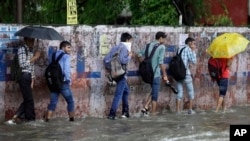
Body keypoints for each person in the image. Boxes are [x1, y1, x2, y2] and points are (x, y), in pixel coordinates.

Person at [8, 37, 40, 124]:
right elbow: (22, 64)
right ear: (25, 40)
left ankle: (21, 117)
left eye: (33, 40)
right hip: (23, 76)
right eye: (30, 40)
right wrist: (35, 57)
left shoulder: (30, 50)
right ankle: (29, 119)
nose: (32, 42)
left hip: (28, 77)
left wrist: (32, 79)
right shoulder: (22, 49)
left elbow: (31, 67)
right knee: (29, 99)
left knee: (28, 99)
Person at [137, 31, 169, 116]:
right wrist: (165, 75)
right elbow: (161, 63)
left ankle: (146, 107)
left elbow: (139, 55)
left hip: (147, 74)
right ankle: (153, 115)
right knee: (155, 95)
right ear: (160, 38)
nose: (165, 40)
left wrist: (143, 64)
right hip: (155, 74)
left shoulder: (148, 45)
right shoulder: (162, 47)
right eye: (164, 38)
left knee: (154, 90)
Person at [104, 32, 133, 120]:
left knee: (126, 91)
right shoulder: (124, 48)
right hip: (122, 75)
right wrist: (129, 56)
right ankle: (112, 114)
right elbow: (123, 61)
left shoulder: (115, 47)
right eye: (131, 41)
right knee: (118, 94)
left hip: (115, 74)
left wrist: (112, 70)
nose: (131, 43)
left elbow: (105, 60)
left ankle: (125, 112)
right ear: (127, 40)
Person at [45, 41, 75, 122]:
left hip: (53, 82)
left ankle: (47, 119)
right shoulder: (66, 56)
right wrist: (69, 81)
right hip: (63, 82)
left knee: (53, 102)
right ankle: (71, 120)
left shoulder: (52, 55)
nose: (70, 49)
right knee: (70, 101)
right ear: (63, 47)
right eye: (68, 47)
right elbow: (66, 70)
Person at [175, 37, 196, 114]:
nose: (194, 45)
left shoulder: (179, 48)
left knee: (179, 92)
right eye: (193, 43)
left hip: (178, 73)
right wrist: (193, 50)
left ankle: (177, 111)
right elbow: (193, 61)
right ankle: (190, 110)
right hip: (186, 73)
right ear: (190, 43)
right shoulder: (188, 49)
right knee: (191, 91)